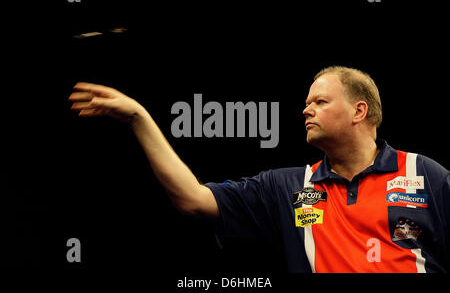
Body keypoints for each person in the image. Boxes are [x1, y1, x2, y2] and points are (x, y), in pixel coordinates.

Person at [68, 66, 450, 273]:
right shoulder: (291, 188)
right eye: (306, 102)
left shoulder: (424, 175)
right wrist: (139, 117)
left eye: (319, 101)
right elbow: (193, 199)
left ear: (359, 111)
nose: (306, 109)